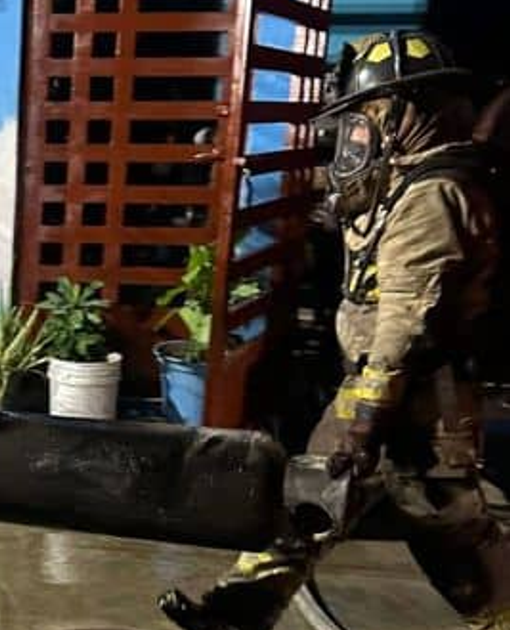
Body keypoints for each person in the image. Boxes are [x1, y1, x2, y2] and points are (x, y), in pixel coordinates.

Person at [158, 31, 510, 630]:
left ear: (410, 114)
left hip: (424, 398)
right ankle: (235, 613)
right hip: (374, 382)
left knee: (450, 530)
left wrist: (364, 421)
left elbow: (405, 321)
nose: (360, 131)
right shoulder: (404, 182)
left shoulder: (433, 195)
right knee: (307, 498)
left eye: (373, 114)